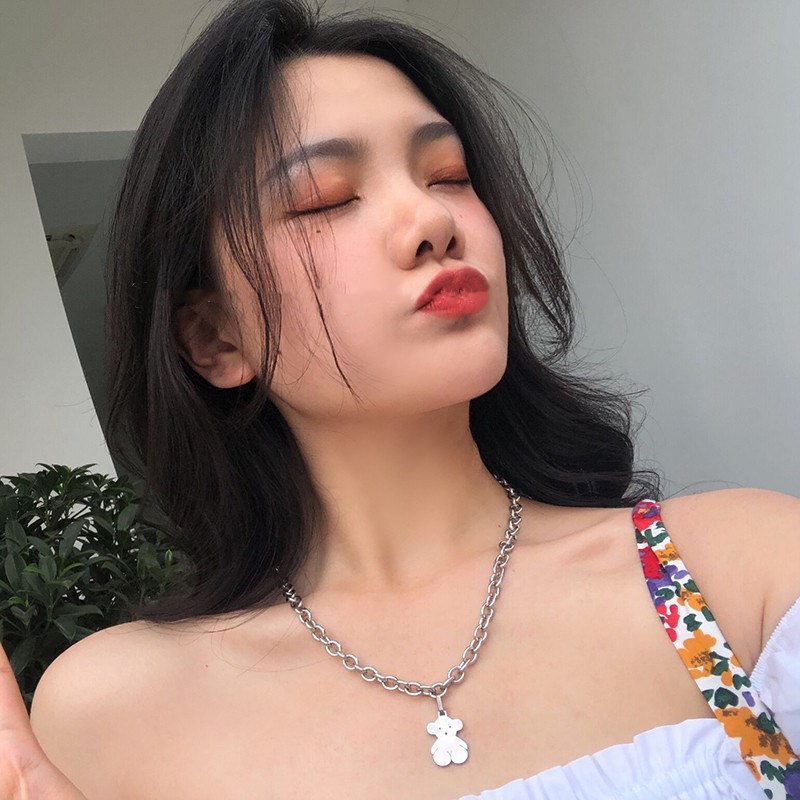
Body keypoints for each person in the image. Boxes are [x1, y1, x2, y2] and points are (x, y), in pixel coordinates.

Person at [2, 0, 799, 797]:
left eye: (449, 176)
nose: (432, 218)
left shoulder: (738, 574)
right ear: (217, 339)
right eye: (324, 198)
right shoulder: (118, 711)